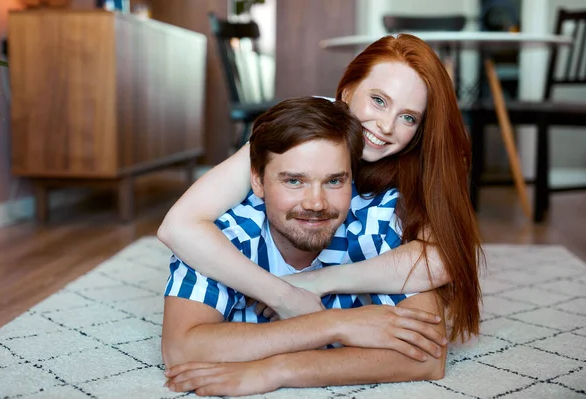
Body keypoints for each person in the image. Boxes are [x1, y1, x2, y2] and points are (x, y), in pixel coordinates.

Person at [158, 34, 483, 341]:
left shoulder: (417, 160)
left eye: (408, 118)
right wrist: (283, 294)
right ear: (346, 92)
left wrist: (317, 281)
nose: (386, 126)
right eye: (379, 101)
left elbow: (444, 258)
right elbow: (178, 226)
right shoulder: (306, 127)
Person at [162, 96, 448, 396]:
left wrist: (279, 369)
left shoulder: (377, 224)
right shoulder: (219, 237)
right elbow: (181, 349)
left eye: (334, 181)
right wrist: (333, 325)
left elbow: (427, 356)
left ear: (352, 178)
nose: (316, 203)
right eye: (294, 181)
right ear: (258, 181)